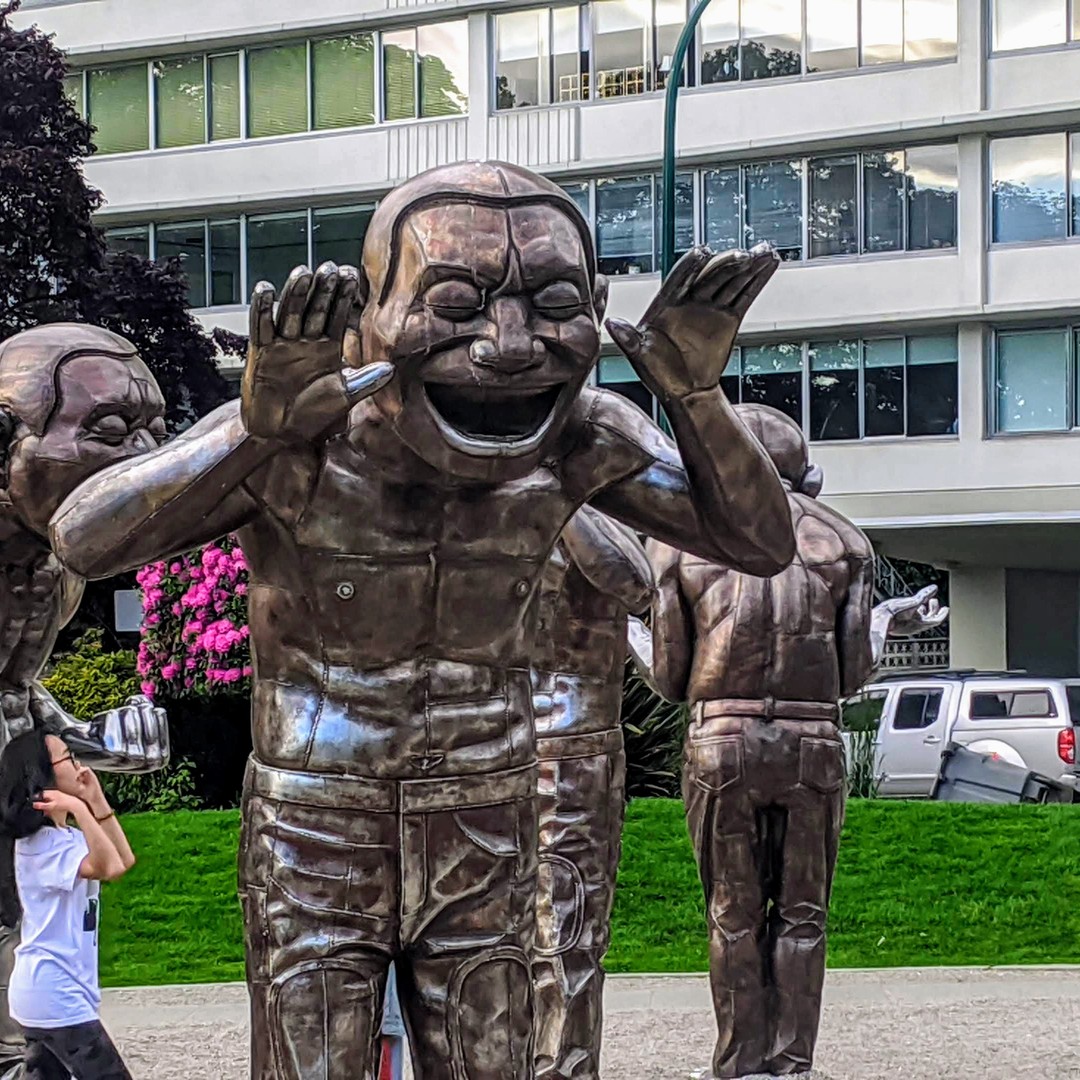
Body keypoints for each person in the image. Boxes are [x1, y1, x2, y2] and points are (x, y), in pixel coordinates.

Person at [49, 161, 795, 1079]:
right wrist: (257, 432)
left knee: (493, 1062)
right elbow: (83, 539)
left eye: (556, 304)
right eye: (454, 303)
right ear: (369, 312)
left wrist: (693, 394)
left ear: (599, 310)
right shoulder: (299, 436)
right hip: (317, 814)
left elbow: (760, 541)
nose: (510, 345)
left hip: (489, 805)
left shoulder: (576, 437)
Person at [643, 404, 874, 1079]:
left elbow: (670, 677)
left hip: (722, 738)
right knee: (804, 911)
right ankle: (792, 1062)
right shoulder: (846, 542)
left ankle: (738, 1061)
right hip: (813, 738)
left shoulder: (680, 542)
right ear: (807, 476)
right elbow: (853, 674)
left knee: (731, 910)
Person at [0, 323, 171, 1077]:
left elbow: (15, 692)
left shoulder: (54, 565)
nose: (143, 458)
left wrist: (93, 742)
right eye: (109, 431)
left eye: (153, 432)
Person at [532, 505, 652, 1079]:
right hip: (521, 742)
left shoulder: (571, 513)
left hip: (559, 738)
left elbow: (634, 582)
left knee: (564, 925)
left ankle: (556, 1066)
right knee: (537, 929)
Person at [0, 730, 134, 1080]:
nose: (79, 766)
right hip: (55, 993)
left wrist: (95, 800)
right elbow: (107, 866)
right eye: (68, 758)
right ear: (42, 774)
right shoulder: (41, 846)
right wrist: (78, 807)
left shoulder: (65, 838)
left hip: (54, 993)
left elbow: (122, 861)